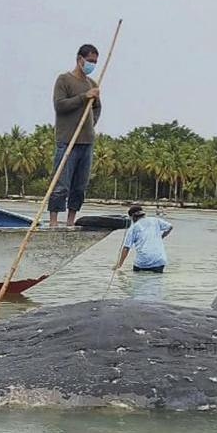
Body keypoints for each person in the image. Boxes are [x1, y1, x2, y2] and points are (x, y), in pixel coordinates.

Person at [49, 44, 102, 227]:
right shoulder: (64, 80)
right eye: (89, 61)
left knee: (79, 186)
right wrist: (84, 97)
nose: (92, 65)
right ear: (80, 60)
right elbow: (60, 105)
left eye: (95, 62)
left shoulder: (93, 84)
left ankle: (70, 222)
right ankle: (54, 222)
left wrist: (91, 123)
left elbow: (97, 108)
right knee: (61, 184)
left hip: (86, 142)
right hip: (67, 140)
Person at [113, 204, 173, 273]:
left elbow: (126, 248)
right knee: (156, 281)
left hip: (143, 262)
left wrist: (119, 264)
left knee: (137, 281)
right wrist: (162, 236)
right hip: (159, 260)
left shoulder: (133, 228)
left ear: (133, 217)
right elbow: (170, 227)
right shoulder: (155, 220)